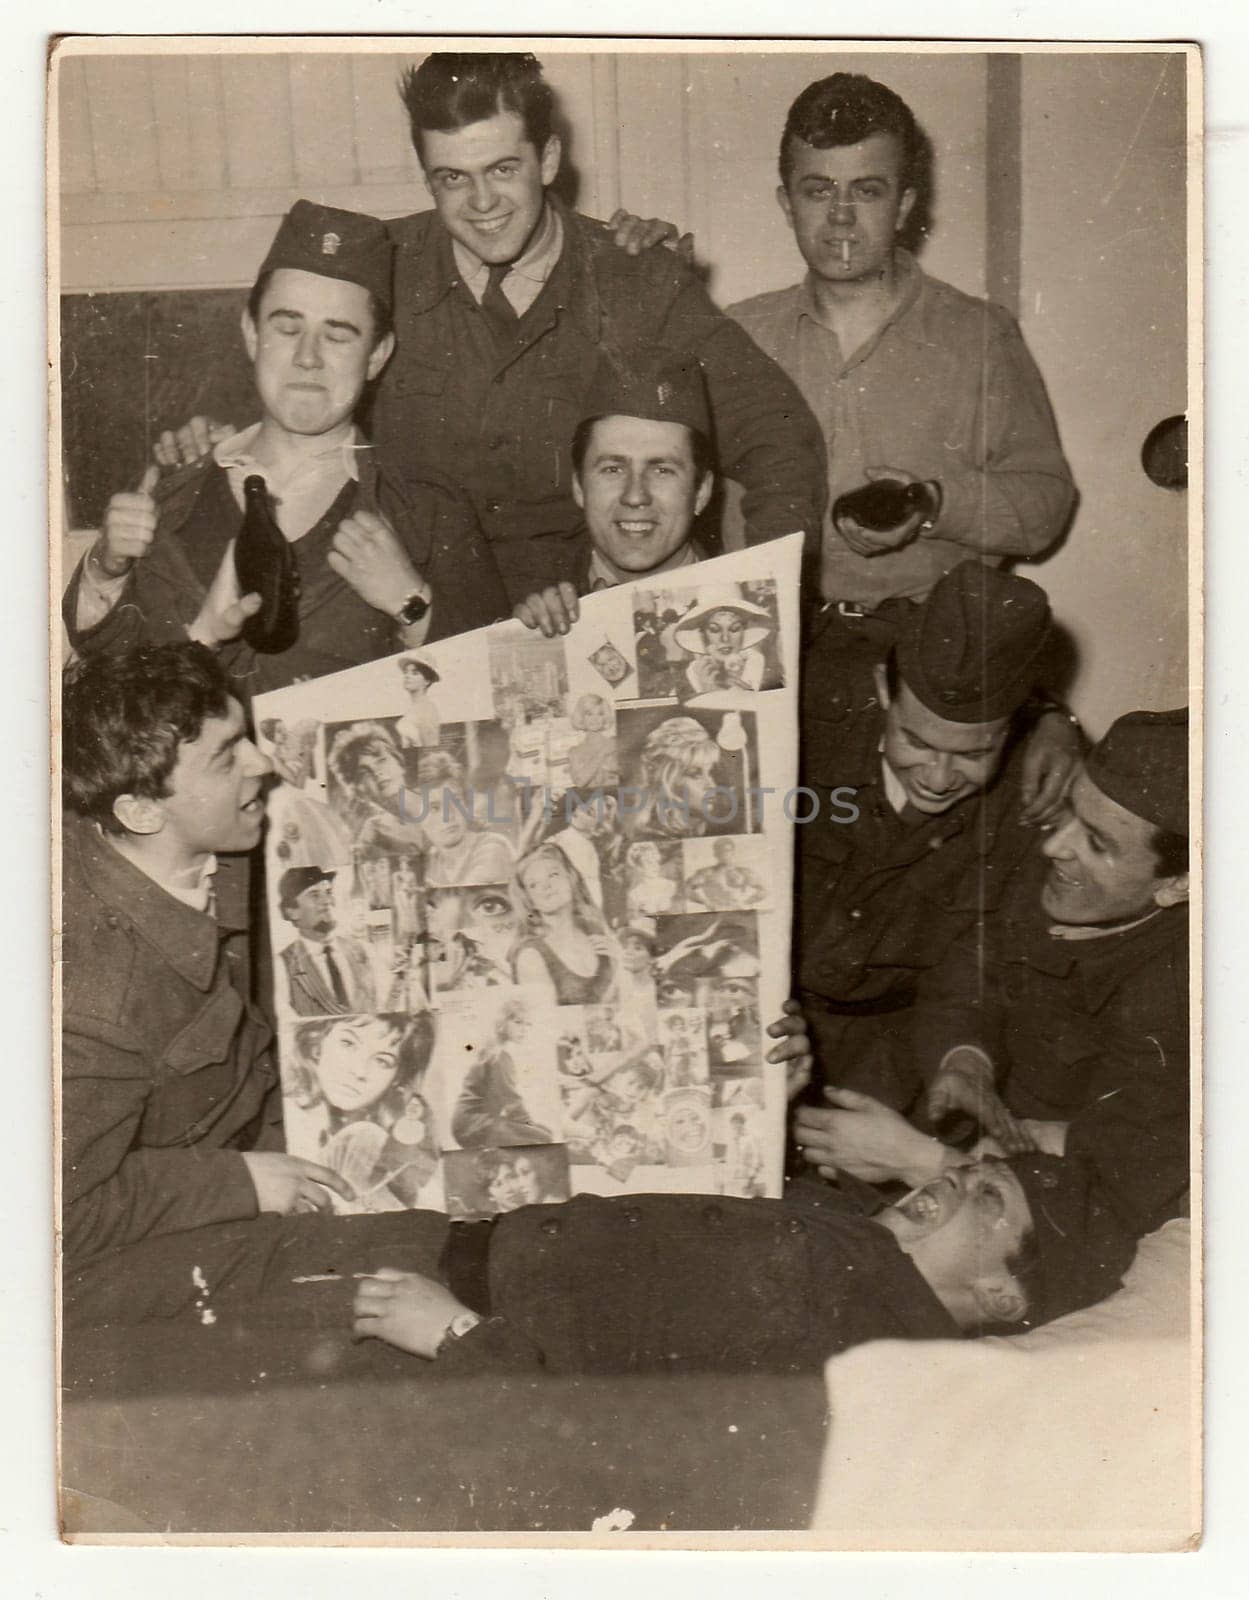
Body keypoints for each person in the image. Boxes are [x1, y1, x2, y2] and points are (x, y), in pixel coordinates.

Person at [369, 50, 825, 603]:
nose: (482, 202)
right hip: (415, 620)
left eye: (503, 169)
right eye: (452, 178)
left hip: (578, 627)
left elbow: (777, 435)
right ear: (427, 180)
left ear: (550, 158)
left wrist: (760, 608)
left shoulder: (635, 280)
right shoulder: (379, 271)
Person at [64, 201, 509, 699]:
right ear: (252, 334)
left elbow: (493, 689)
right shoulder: (170, 495)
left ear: (378, 355)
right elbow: (109, 694)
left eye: (338, 336)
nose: (308, 358)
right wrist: (106, 566)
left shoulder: (429, 511)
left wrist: (412, 604)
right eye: (288, 327)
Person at [796, 709, 1190, 1241]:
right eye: (1067, 812)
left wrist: (921, 1161)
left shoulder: (1184, 1003)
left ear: (1181, 884)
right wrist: (965, 1060)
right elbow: (968, 966)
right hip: (945, 1147)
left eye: (1097, 843)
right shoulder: (1064, 881)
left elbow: (1097, 1208)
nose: (1053, 847)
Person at [61, 643, 353, 1325]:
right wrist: (240, 1182)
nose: (263, 764)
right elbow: (52, 1213)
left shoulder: (181, 830)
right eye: (228, 758)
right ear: (140, 812)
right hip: (193, 1204)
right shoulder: (96, 1002)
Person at [726, 71, 1075, 622]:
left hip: (929, 649)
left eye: (867, 190)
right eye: (818, 190)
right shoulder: (737, 336)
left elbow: (1046, 504)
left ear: (905, 204)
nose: (840, 215)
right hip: (771, 644)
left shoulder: (978, 335)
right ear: (787, 203)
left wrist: (933, 505)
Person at [796, 559, 1058, 1108]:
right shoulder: (804, 722)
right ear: (881, 691)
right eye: (916, 741)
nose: (939, 779)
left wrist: (963, 1058)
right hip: (764, 1007)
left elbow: (978, 965)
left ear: (1015, 729)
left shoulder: (1027, 809)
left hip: (892, 1041)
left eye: (975, 753)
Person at [512, 348, 717, 636]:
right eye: (612, 469)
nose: (635, 496)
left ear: (702, 492)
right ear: (579, 487)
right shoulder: (522, 600)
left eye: (662, 470)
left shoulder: (748, 601)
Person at [285, 1012, 438, 1211]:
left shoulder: (379, 1134)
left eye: (382, 1061)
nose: (359, 1071)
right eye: (348, 1043)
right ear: (317, 1044)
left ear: (396, 1079)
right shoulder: (291, 1113)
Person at [511, 842, 619, 1004]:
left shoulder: (595, 930)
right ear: (529, 900)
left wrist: (623, 965)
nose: (546, 886)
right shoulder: (531, 955)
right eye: (534, 885)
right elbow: (548, 1026)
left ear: (571, 878)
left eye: (553, 874)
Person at [450, 997, 554, 1148]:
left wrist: (532, 1127)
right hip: (473, 1124)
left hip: (471, 1122)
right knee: (541, 1140)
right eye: (518, 1022)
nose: (524, 1029)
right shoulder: (499, 1056)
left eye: (527, 1024)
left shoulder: (492, 1049)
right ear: (503, 1023)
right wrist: (530, 1127)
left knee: (545, 1133)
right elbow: (512, 1102)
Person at [276, 865, 378, 1017]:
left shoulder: (363, 950)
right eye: (314, 895)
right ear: (293, 912)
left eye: (328, 892)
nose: (327, 901)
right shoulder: (283, 966)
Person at [685, 837, 767, 911]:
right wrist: (706, 903)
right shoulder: (706, 873)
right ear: (715, 854)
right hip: (716, 911)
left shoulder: (744, 872)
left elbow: (764, 891)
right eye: (720, 851)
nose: (725, 854)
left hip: (739, 910)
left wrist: (746, 903)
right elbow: (686, 889)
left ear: (733, 852)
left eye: (727, 851)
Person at [395, 654, 442, 748]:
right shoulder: (412, 708)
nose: (407, 676)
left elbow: (431, 746)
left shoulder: (427, 709)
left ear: (427, 681)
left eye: (415, 673)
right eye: (406, 672)